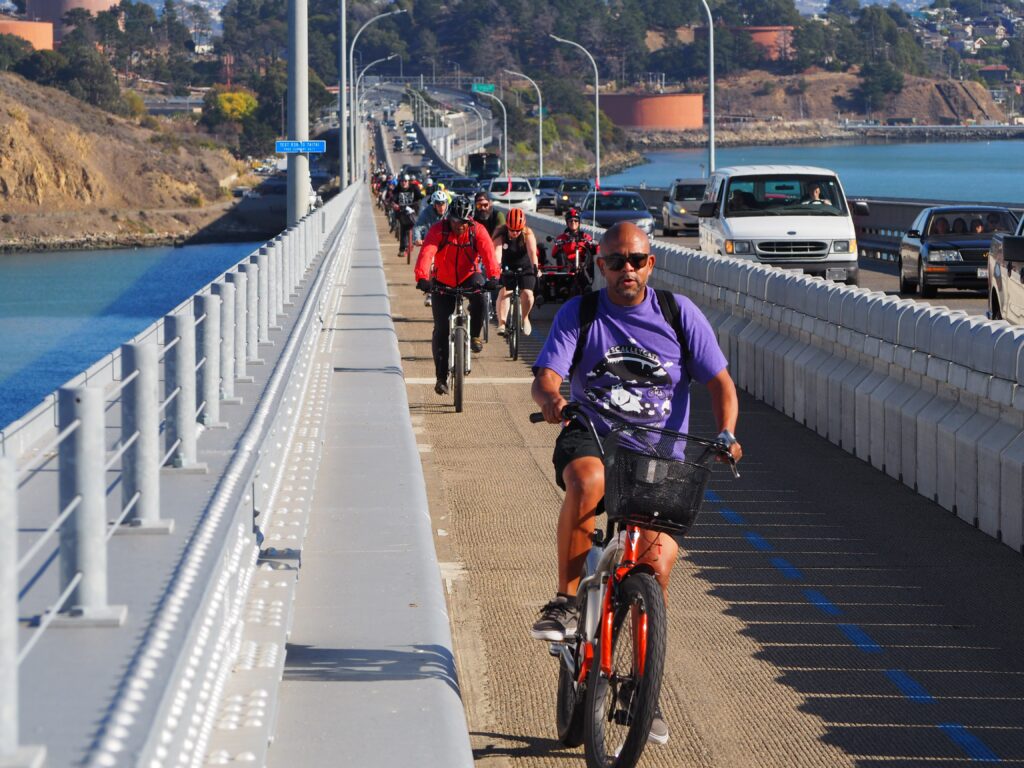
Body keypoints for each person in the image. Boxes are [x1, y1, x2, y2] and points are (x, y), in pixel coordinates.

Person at [530, 221, 742, 744]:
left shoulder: (678, 314)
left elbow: (720, 383)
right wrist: (554, 401)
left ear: (651, 264)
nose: (627, 269)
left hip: (659, 457)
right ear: (599, 266)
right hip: (593, 436)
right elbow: (546, 378)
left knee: (655, 568)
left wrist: (727, 433)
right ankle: (565, 600)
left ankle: (640, 690)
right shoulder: (579, 312)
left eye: (637, 260)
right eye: (615, 261)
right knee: (587, 480)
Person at [414, 196, 501, 395]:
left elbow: (488, 255)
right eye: (455, 221)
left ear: (470, 220)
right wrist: (422, 278)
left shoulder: (477, 230)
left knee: (480, 296)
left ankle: (476, 335)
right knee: (442, 329)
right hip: (442, 280)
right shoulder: (439, 229)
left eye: (463, 223)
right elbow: (427, 253)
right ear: (449, 218)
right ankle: (441, 378)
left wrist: (494, 276)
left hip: (469, 275)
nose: (459, 226)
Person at [492, 207, 539, 337]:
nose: (515, 233)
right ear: (507, 226)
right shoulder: (500, 235)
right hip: (507, 266)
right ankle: (502, 323)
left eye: (518, 230)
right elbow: (497, 253)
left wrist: (535, 267)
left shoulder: (528, 234)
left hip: (525, 266)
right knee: (505, 292)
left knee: (528, 294)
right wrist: (497, 267)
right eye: (512, 230)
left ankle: (525, 318)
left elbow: (532, 253)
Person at [551, 209, 598, 298]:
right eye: (571, 221)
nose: (573, 222)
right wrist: (559, 245)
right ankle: (563, 283)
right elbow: (553, 254)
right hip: (567, 264)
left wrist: (593, 244)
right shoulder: (562, 237)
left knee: (589, 254)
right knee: (560, 253)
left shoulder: (585, 236)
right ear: (567, 223)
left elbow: (595, 249)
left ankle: (587, 283)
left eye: (576, 220)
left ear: (579, 222)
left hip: (581, 264)